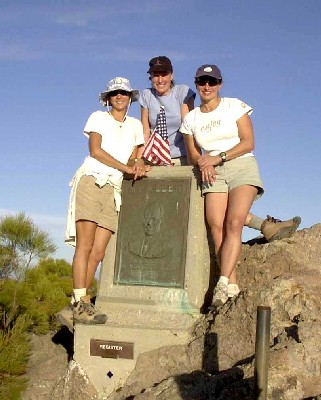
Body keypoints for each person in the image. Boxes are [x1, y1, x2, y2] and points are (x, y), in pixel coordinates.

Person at [139, 56, 301, 287]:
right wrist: (143, 158)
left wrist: (205, 160)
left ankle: (228, 277)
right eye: (156, 74)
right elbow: (149, 131)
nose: (160, 78)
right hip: (162, 158)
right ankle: (266, 226)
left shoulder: (186, 94)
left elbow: (193, 133)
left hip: (187, 159)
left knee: (221, 216)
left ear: (172, 74)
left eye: (164, 74)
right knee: (214, 218)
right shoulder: (146, 97)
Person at [65, 77, 150, 324]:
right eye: (115, 93)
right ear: (108, 98)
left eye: (124, 93)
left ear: (130, 97)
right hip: (92, 180)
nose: (120, 96)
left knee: (99, 251)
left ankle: (79, 302)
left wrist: (139, 163)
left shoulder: (135, 126)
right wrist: (126, 166)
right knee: (85, 244)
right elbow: (96, 151)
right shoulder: (98, 118)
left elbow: (135, 157)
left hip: (114, 188)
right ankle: (81, 301)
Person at [181, 64, 266, 307]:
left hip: (240, 165)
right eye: (202, 81)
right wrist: (204, 164)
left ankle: (221, 281)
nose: (207, 86)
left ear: (219, 84)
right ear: (197, 84)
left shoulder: (234, 105)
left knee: (234, 221)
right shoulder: (192, 118)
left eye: (212, 81)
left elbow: (249, 142)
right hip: (212, 172)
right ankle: (232, 285)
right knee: (216, 225)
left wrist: (219, 157)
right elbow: (193, 153)